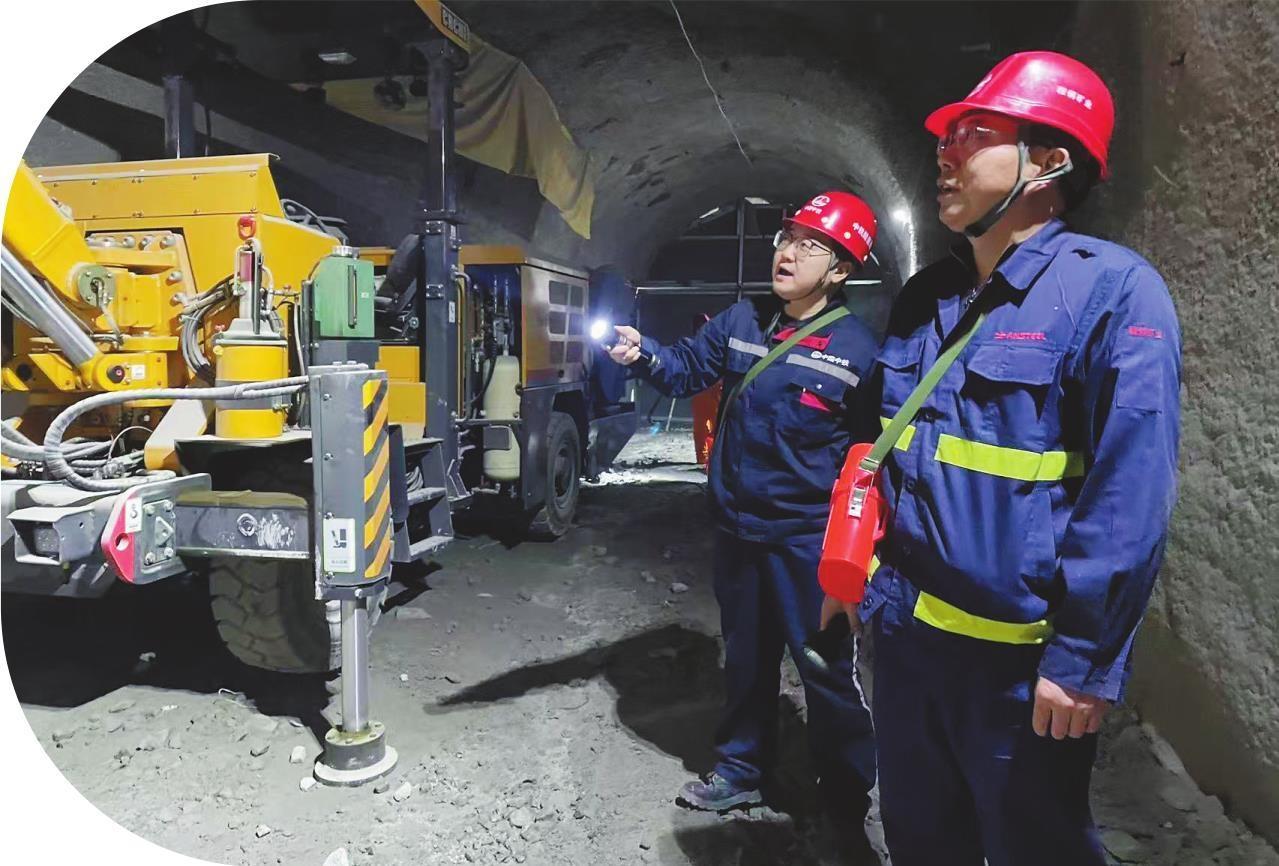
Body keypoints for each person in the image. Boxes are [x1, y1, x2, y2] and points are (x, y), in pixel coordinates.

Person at [828, 51, 1182, 865]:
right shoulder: (925, 298)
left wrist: (1082, 660)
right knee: (921, 840)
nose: (945, 152)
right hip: (905, 643)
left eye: (974, 135)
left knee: (1035, 846)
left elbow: (1128, 494)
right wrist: (854, 574)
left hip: (1015, 671)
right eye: (946, 137)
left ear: (1048, 161)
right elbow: (881, 449)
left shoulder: (1113, 293)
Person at [607, 193, 880, 843]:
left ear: (840, 269)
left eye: (810, 245)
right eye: (787, 237)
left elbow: (871, 456)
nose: (787, 253)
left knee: (823, 668)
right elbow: (684, 371)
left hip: (805, 541)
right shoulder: (741, 320)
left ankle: (845, 788)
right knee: (747, 660)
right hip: (737, 531)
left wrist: (862, 551)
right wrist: (643, 354)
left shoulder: (859, 352)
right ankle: (741, 768)